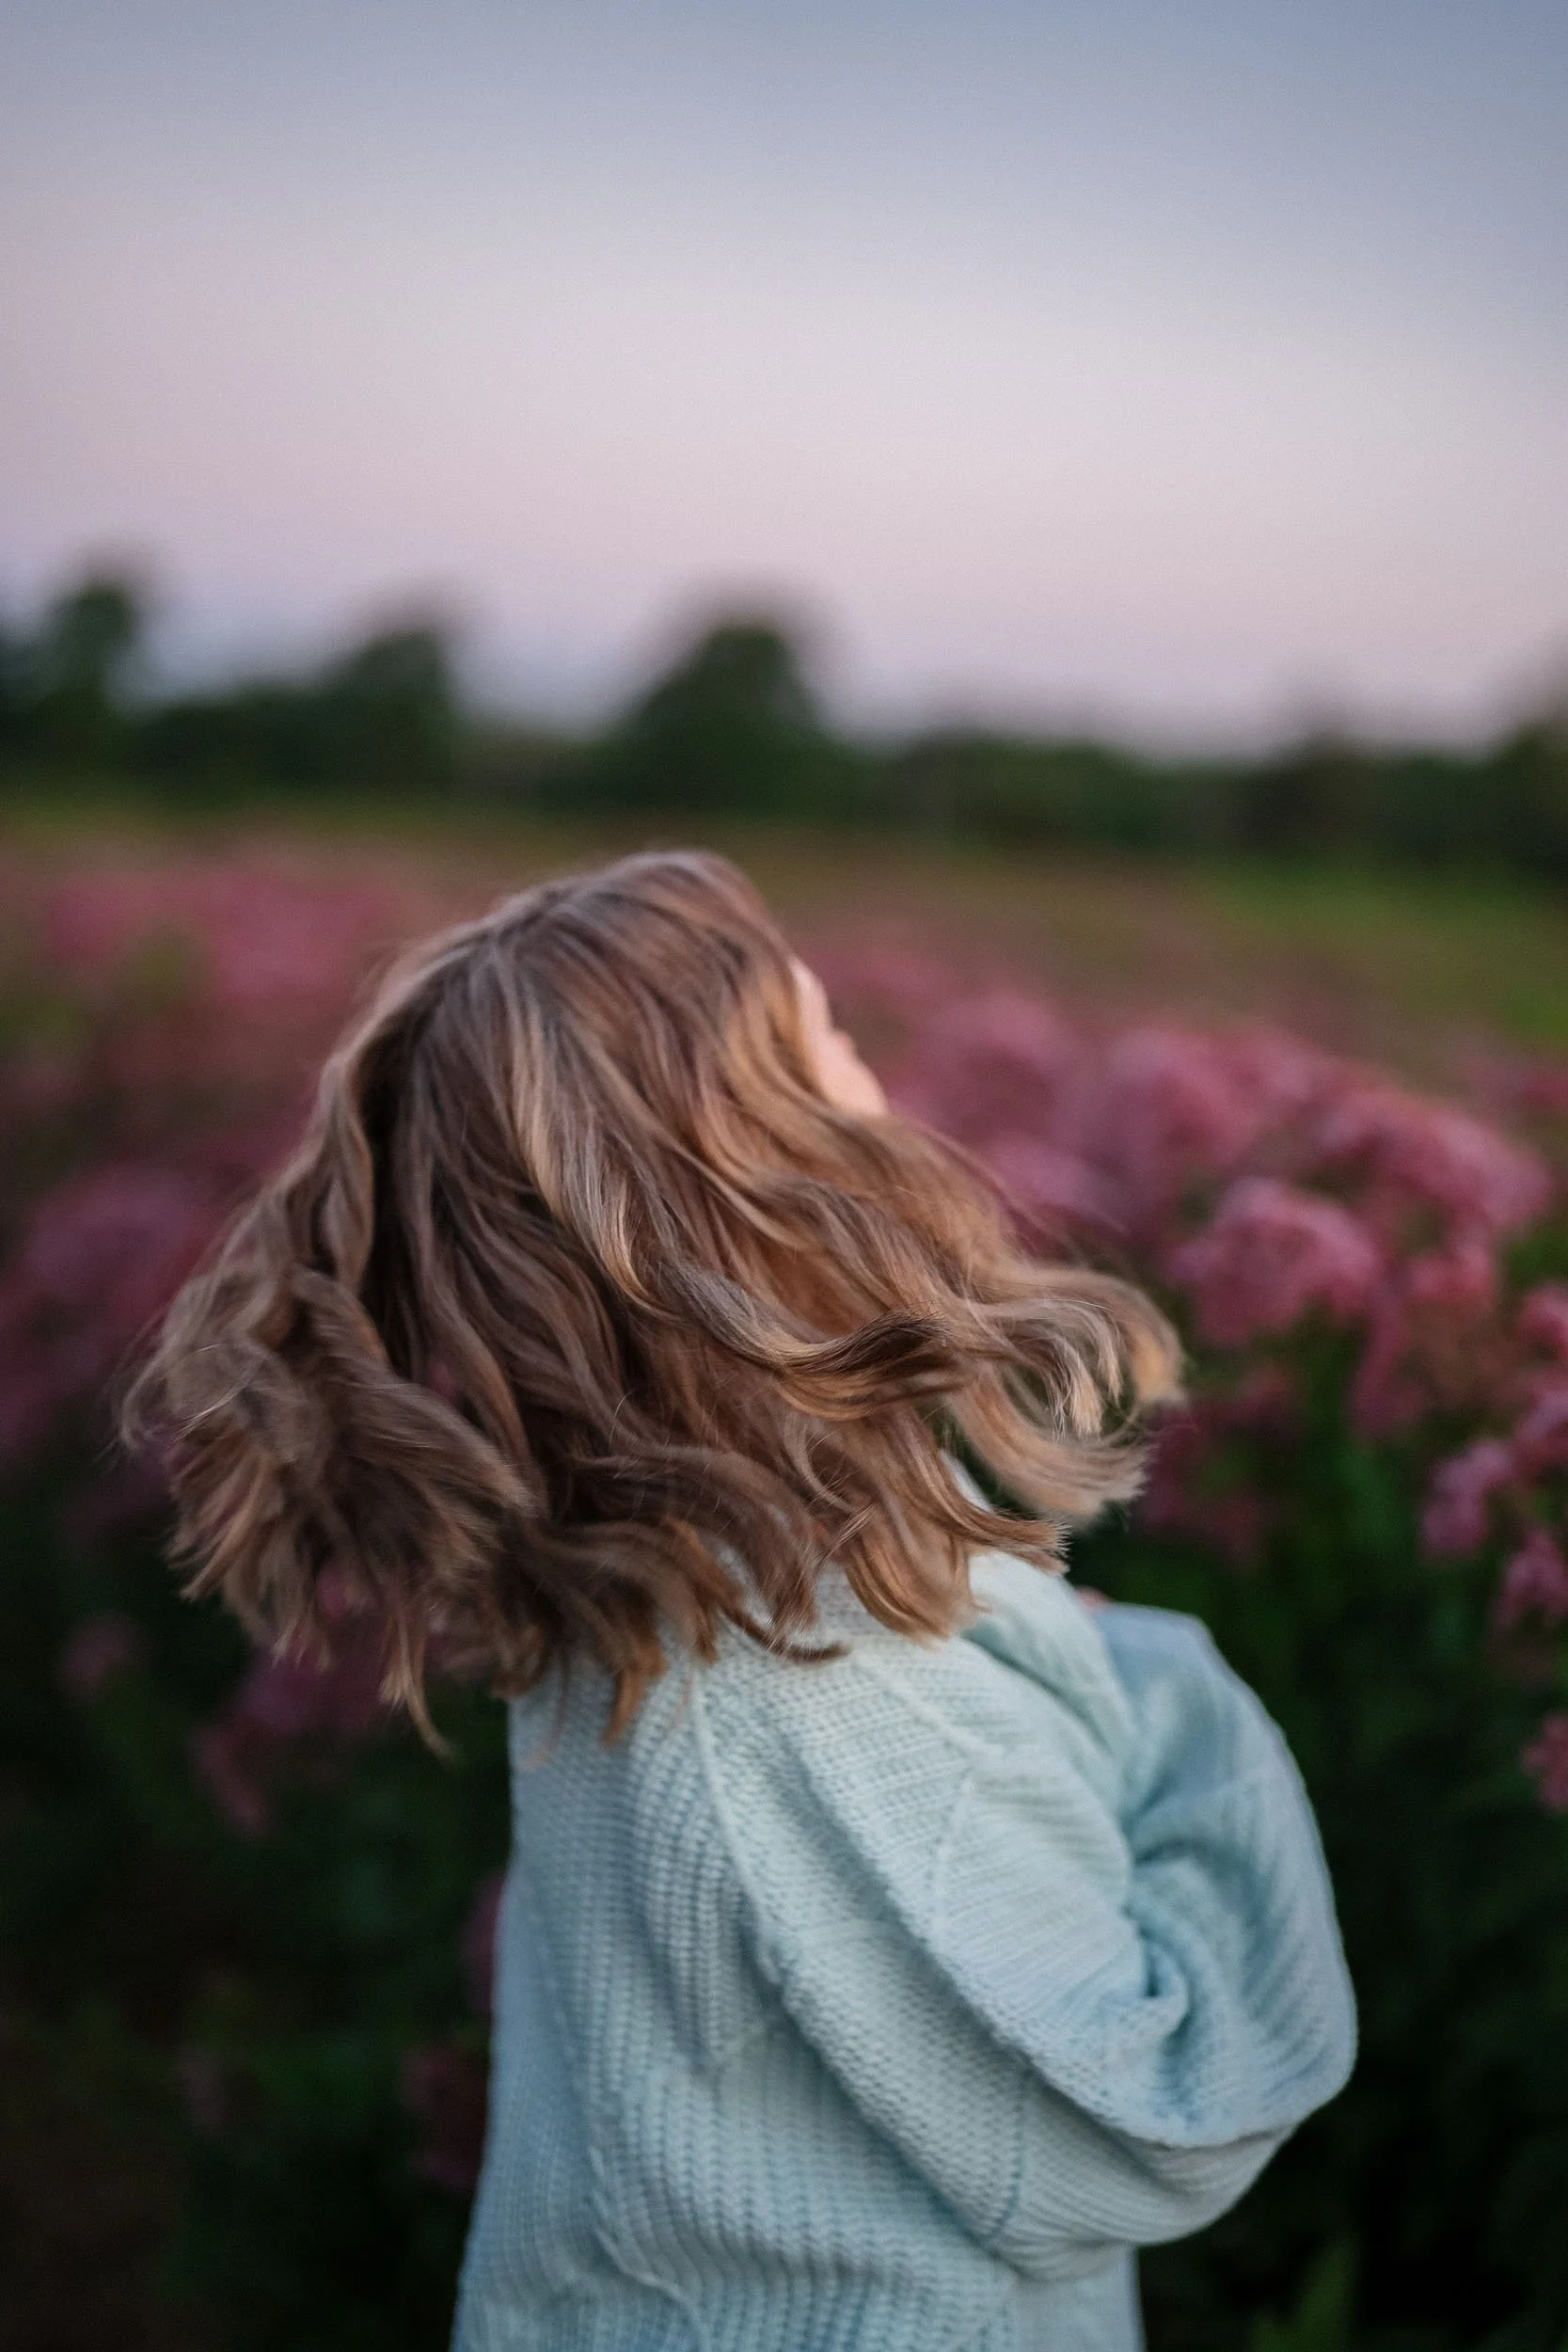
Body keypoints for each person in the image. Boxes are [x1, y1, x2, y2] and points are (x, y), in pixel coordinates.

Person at [135, 850, 1354, 2352]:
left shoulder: (675, 1590)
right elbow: (1150, 2118)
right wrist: (1174, 1699)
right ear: (749, 1153)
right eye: (830, 1037)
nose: (875, 1076)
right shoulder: (791, 1675)